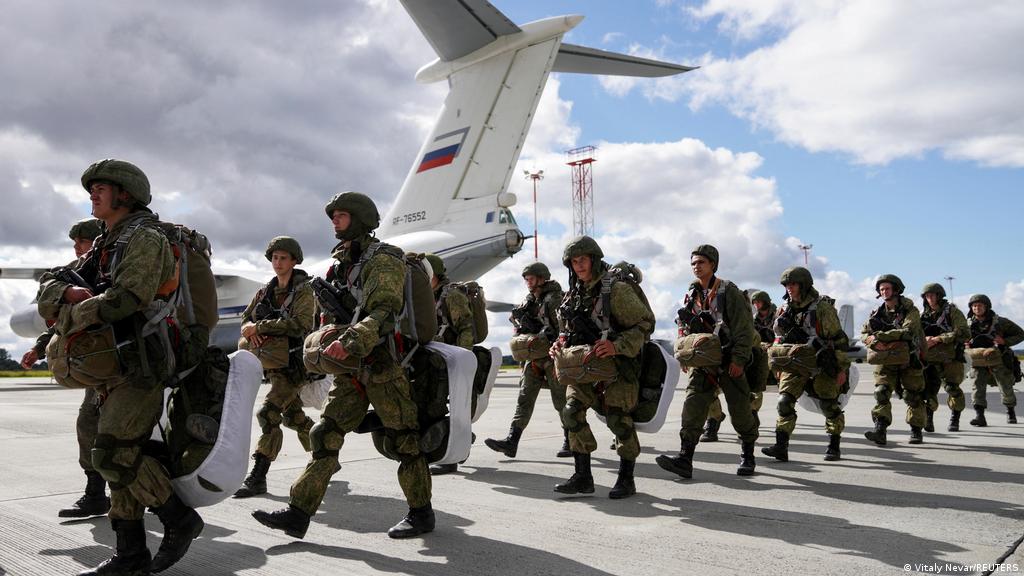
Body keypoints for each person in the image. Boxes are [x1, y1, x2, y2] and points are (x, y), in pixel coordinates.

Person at [36, 159, 203, 574]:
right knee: (119, 458)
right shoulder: (104, 244)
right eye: (92, 189)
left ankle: (179, 519)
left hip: (140, 364)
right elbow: (50, 283)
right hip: (113, 366)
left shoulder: (144, 238)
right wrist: (67, 292)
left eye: (102, 188)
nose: (93, 194)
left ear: (125, 195)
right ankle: (130, 555)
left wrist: (69, 312)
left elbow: (126, 299)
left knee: (112, 456)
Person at [253, 191, 435, 539]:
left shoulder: (383, 258)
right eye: (333, 216)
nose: (335, 221)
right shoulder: (340, 264)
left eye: (342, 215)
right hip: (351, 369)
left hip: (382, 367)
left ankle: (421, 513)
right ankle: (298, 513)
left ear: (360, 218)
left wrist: (348, 341)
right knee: (324, 434)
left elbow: (385, 311)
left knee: (405, 441)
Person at [550, 236, 654, 499]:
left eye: (583, 259)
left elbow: (644, 324)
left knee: (619, 421)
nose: (579, 265)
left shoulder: (616, 290)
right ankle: (583, 477)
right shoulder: (573, 294)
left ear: (594, 260)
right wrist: (558, 344)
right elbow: (565, 330)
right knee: (571, 412)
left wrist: (616, 346)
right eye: (574, 261)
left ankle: (626, 478)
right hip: (583, 367)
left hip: (618, 366)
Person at [20, 218, 110, 519]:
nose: (76, 248)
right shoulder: (80, 274)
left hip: (120, 357)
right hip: (99, 361)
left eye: (81, 242)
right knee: (89, 423)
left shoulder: (112, 269)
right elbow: (64, 323)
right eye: (74, 243)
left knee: (104, 425)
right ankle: (97, 493)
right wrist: (38, 349)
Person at [656, 245, 758, 479]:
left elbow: (744, 329)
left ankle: (748, 455)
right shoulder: (692, 294)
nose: (696, 266)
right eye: (693, 263)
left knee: (740, 410)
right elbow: (683, 327)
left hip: (728, 360)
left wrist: (739, 360)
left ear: (713, 264)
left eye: (701, 262)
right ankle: (684, 458)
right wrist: (684, 354)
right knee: (692, 408)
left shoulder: (729, 291)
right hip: (702, 362)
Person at [234, 236, 316, 498]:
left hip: (293, 365)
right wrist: (250, 330)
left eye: (283, 258)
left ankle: (258, 477)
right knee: (293, 417)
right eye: (275, 258)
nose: (278, 263)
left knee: (268, 414)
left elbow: (301, 324)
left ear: (294, 261)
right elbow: (246, 318)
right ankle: (323, 453)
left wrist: (260, 327)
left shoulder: (304, 291)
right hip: (271, 364)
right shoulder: (264, 292)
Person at [760, 267, 849, 462]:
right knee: (784, 402)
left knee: (829, 406)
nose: (789, 288)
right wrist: (779, 366)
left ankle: (834, 445)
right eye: (786, 285)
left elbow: (839, 339)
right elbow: (778, 339)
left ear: (804, 285)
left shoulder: (822, 308)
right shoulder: (784, 309)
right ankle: (781, 446)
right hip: (795, 363)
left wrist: (841, 368)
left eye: (793, 284)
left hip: (822, 362)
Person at [485, 262, 569, 459]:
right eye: (526, 280)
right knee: (524, 398)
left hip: (552, 357)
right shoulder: (529, 300)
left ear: (542, 279)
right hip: (534, 358)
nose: (528, 283)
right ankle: (511, 441)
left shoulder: (555, 299)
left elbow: (563, 329)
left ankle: (571, 440)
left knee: (561, 400)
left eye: (531, 279)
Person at [423, 253, 476, 475]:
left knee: (452, 410)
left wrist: (461, 359)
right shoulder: (427, 295)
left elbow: (466, 328)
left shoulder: (451, 295)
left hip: (452, 362)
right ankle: (452, 447)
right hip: (434, 361)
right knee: (432, 407)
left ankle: (450, 457)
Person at [861, 274, 926, 445]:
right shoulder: (877, 313)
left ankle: (916, 429)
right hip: (885, 360)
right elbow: (864, 334)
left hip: (908, 359)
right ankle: (880, 430)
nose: (884, 292)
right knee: (881, 392)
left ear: (896, 290)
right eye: (881, 289)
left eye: (887, 288)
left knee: (912, 395)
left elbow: (908, 331)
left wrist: (880, 336)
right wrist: (872, 341)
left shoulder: (910, 310)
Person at [964, 294, 1024, 426]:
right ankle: (980, 416)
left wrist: (1005, 341)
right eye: (974, 306)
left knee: (1005, 386)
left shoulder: (1000, 322)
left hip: (999, 358)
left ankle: (1010, 412)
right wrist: (965, 344)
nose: (977, 308)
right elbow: (959, 338)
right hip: (978, 360)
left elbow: (1021, 334)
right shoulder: (967, 324)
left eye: (980, 305)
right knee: (977, 387)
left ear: (986, 306)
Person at [919, 283, 970, 432]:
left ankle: (955, 418)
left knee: (952, 388)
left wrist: (939, 339)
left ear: (939, 296)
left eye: (932, 295)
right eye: (927, 296)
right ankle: (928, 419)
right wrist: (924, 340)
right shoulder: (923, 315)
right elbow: (916, 333)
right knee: (928, 389)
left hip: (950, 358)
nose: (929, 298)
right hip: (930, 358)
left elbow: (964, 332)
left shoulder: (952, 312)